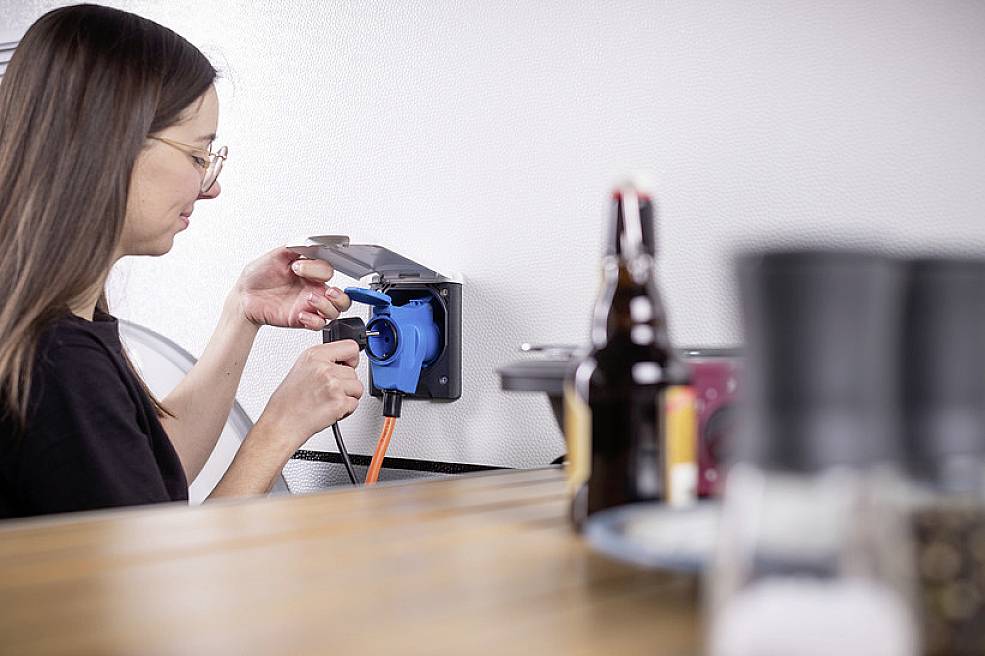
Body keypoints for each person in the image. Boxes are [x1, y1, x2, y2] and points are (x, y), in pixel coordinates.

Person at [0, 4, 364, 518]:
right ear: (111, 145)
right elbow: (152, 579)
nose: (210, 187)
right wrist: (278, 430)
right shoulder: (56, 361)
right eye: (198, 156)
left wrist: (243, 311)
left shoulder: (55, 329)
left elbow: (143, 473)